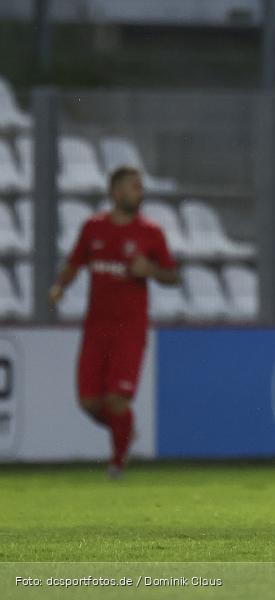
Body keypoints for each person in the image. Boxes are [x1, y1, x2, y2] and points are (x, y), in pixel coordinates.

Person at [49, 167, 180, 478]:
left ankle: (116, 463)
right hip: (95, 328)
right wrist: (59, 287)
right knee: (89, 402)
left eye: (141, 187)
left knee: (117, 400)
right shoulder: (93, 228)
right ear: (116, 192)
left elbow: (173, 276)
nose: (140, 193)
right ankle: (126, 431)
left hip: (130, 331)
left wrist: (150, 270)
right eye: (134, 187)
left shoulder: (150, 233)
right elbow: (74, 263)